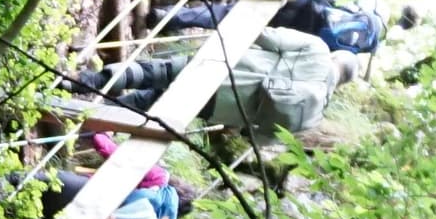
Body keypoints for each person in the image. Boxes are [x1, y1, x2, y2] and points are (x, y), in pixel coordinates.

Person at [76, 23, 342, 139]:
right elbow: (261, 137)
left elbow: (264, 36)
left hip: (220, 69)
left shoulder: (317, 51)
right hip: (217, 108)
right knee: (147, 102)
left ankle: (78, 82)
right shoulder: (313, 118)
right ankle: (80, 120)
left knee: (150, 73)